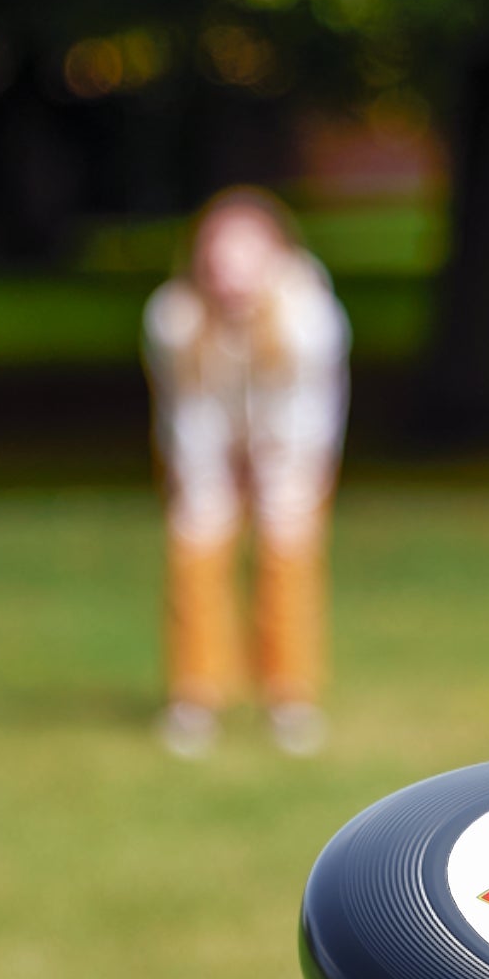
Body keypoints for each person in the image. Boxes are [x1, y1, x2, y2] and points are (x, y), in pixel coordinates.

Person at [143, 187, 350, 758]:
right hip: (205, 446)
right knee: (195, 548)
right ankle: (196, 696)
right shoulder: (174, 318)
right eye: (219, 254)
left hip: (291, 448)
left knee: (288, 555)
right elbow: (187, 412)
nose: (230, 271)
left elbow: (308, 412)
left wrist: (276, 473)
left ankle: (290, 697)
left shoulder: (309, 316)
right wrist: (209, 480)